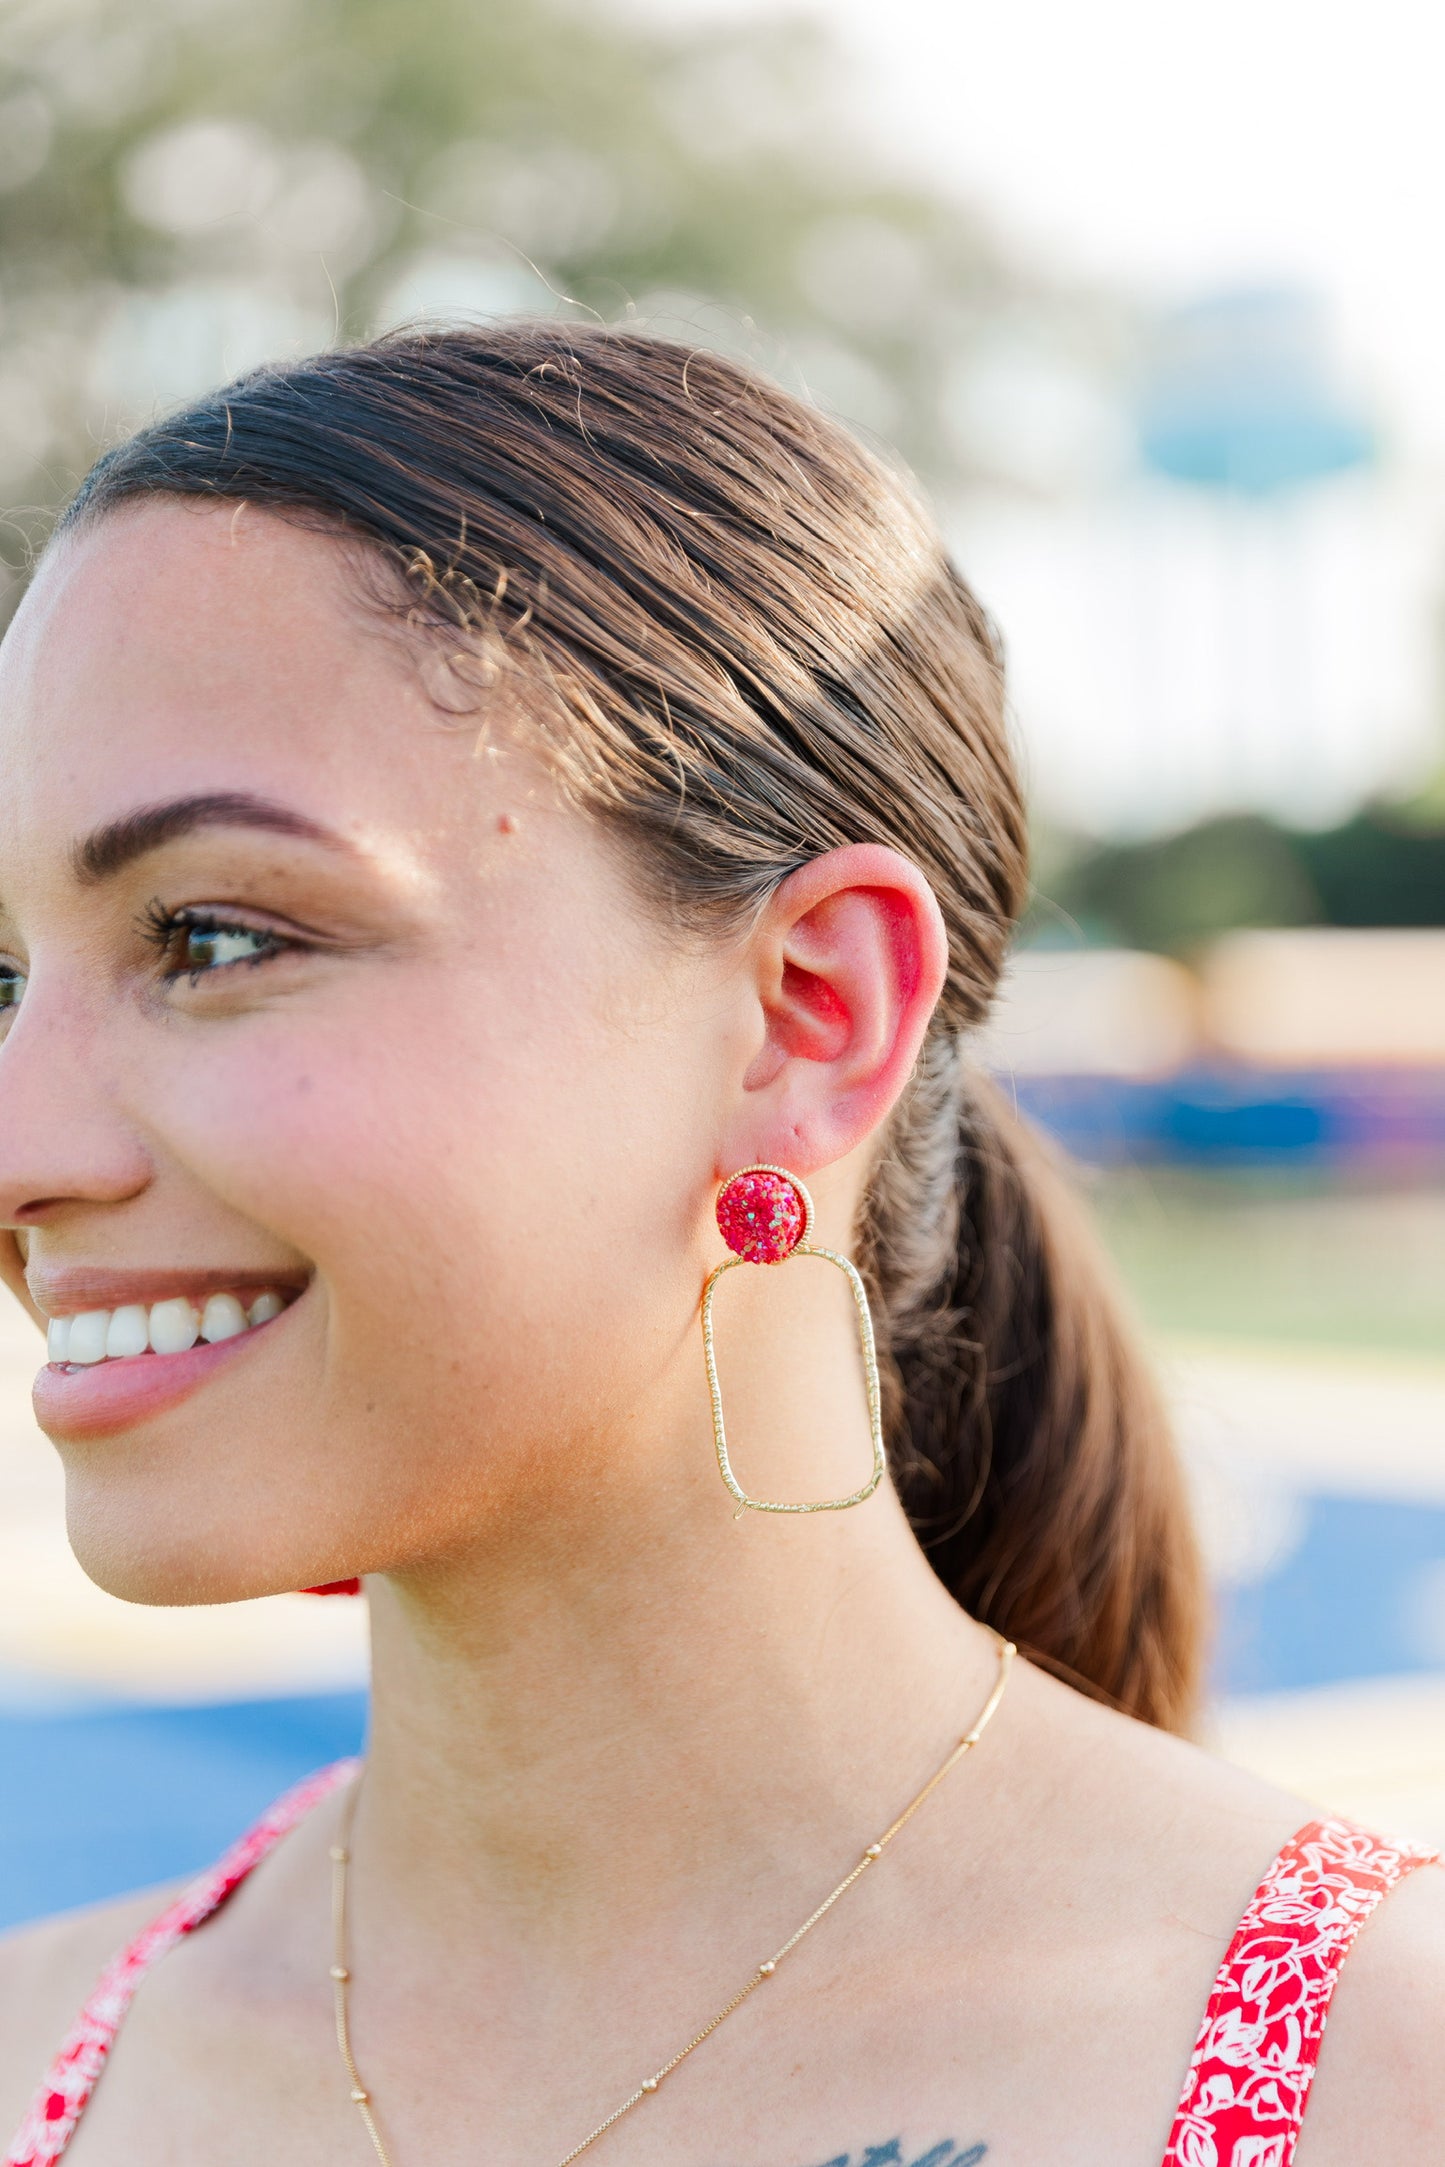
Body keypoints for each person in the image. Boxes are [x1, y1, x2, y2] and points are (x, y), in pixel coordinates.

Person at [0, 324, 1437, 2167]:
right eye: (11, 979)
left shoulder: (1368, 2086)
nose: (21, 1148)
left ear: (806, 1012)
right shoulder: (41, 2052)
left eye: (209, 938)